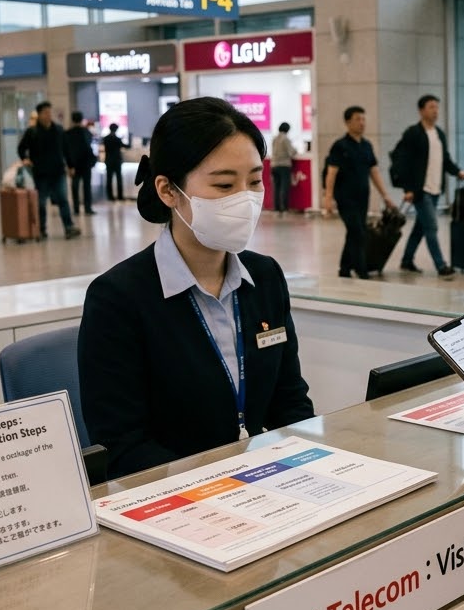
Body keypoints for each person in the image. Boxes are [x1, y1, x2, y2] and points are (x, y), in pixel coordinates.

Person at [79, 97, 315, 478]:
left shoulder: (265, 277)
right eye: (224, 184)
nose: (245, 199)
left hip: (264, 485)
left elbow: (289, 401)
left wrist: (312, 463)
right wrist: (219, 480)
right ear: (169, 191)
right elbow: (121, 447)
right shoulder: (118, 299)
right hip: (178, 501)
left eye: (254, 181)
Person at [391, 94, 464, 278]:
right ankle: (441, 266)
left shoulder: (439, 133)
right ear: (421, 110)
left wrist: (457, 172)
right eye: (431, 107)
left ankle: (406, 260)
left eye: (437, 107)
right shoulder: (413, 133)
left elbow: (445, 159)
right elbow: (402, 161)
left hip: (435, 188)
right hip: (420, 189)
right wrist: (408, 188)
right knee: (431, 227)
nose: (435, 111)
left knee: (420, 227)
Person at [323, 106, 397, 279]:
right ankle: (361, 269)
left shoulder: (366, 145)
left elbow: (374, 172)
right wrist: (328, 197)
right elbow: (331, 172)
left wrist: (385, 196)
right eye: (358, 119)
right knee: (357, 231)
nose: (362, 123)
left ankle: (344, 268)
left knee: (354, 232)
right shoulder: (340, 146)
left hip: (363, 197)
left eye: (363, 119)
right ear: (347, 122)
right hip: (345, 197)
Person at [17, 101, 80, 239]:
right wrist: (25, 159)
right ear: (39, 115)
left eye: (49, 112)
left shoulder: (58, 130)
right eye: (45, 113)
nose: (48, 115)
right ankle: (42, 230)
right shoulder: (32, 132)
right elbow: (21, 148)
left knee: (63, 200)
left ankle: (69, 227)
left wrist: (70, 166)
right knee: (41, 203)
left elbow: (66, 149)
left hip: (58, 172)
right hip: (41, 174)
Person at [65, 111, 97, 215]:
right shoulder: (86, 132)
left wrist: (70, 165)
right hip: (86, 163)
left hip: (74, 164)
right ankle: (88, 208)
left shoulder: (68, 133)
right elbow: (89, 147)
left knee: (75, 187)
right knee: (86, 186)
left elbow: (66, 150)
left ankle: (76, 208)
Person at [270, 122, 295, 215]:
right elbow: (291, 152)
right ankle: (284, 209)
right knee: (284, 187)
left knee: (276, 188)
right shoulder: (286, 139)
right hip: (284, 166)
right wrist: (295, 150)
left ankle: (276, 209)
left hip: (274, 165)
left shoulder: (274, 138)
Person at [103, 123, 127, 202]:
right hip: (117, 161)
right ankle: (120, 196)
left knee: (109, 179)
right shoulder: (117, 139)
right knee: (119, 178)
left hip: (108, 160)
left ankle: (110, 197)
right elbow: (126, 146)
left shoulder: (105, 138)